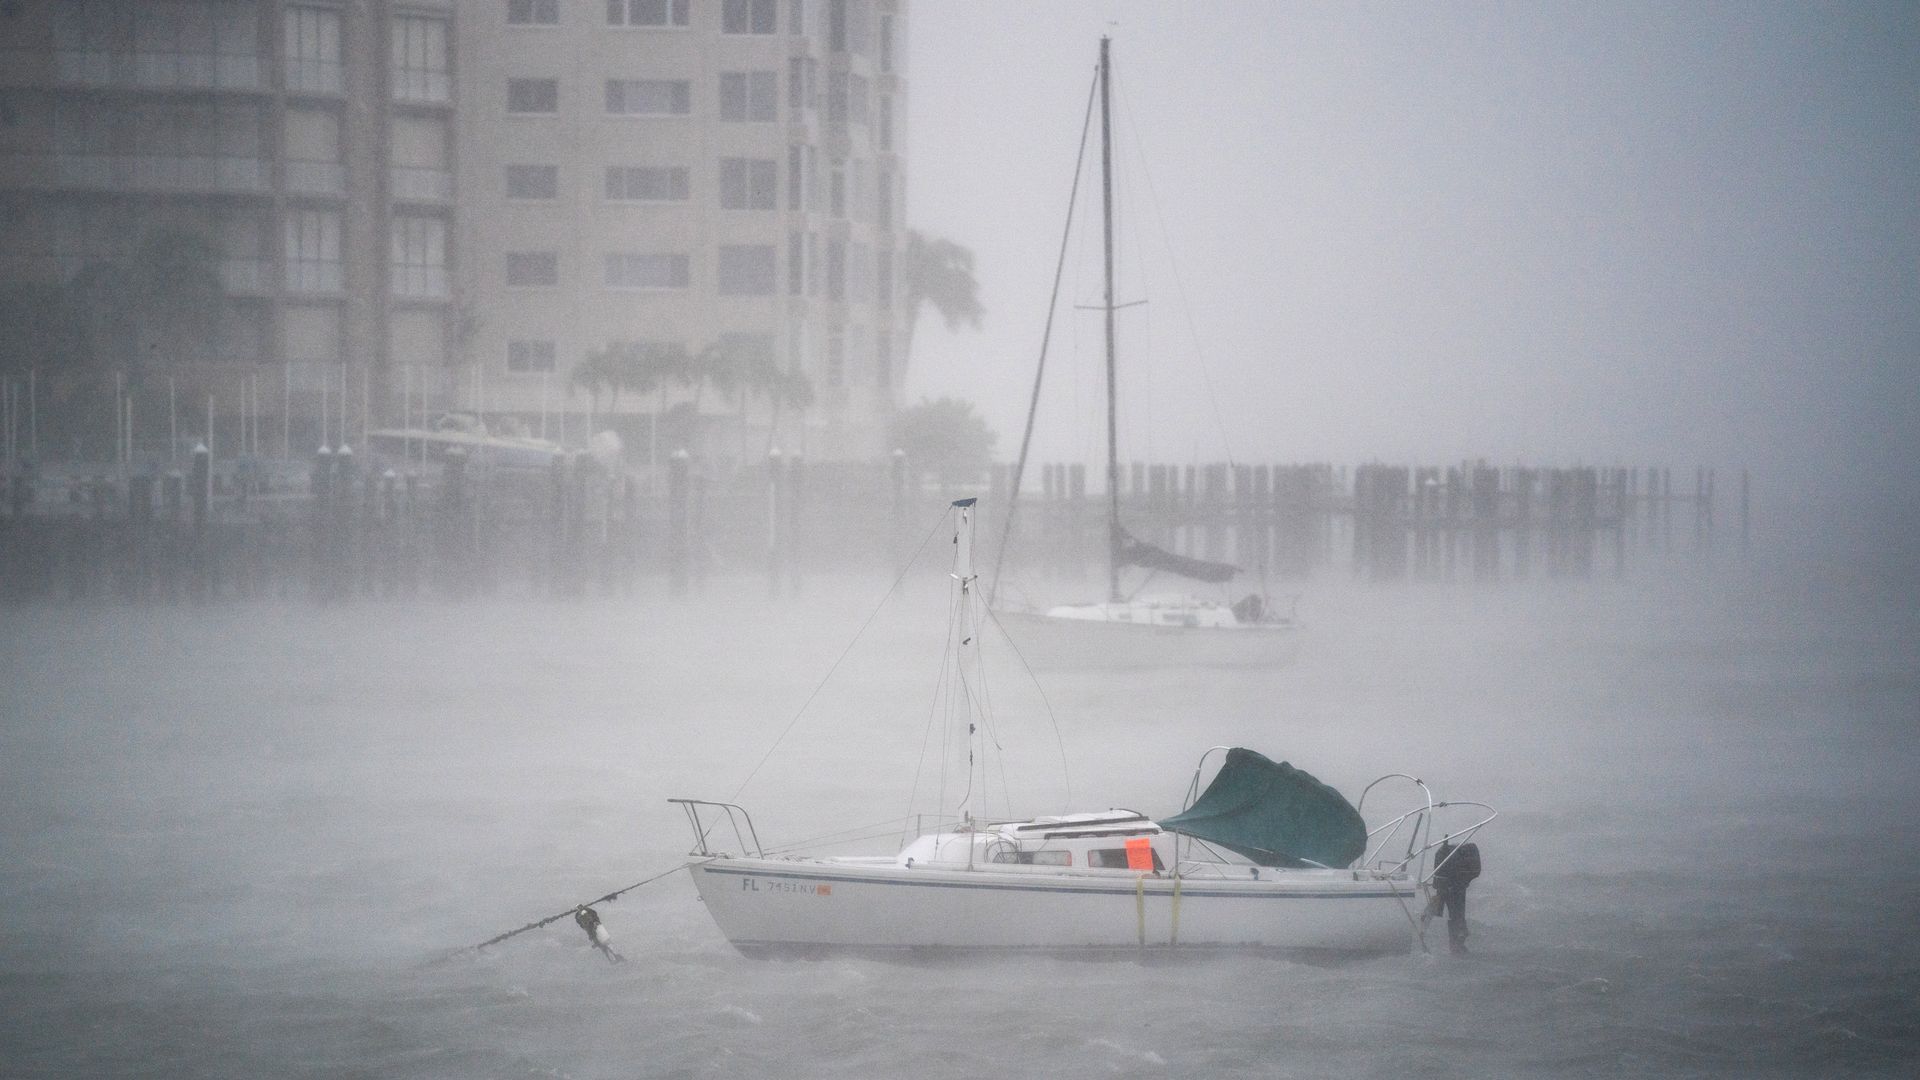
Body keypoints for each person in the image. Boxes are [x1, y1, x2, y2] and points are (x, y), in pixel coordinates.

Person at [1423, 837, 1481, 954]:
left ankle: (1422, 928)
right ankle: (1456, 944)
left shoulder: (1445, 853)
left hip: (1449, 883)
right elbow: (1473, 872)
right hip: (1454, 884)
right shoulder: (1464, 855)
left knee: (1440, 907)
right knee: (1456, 914)